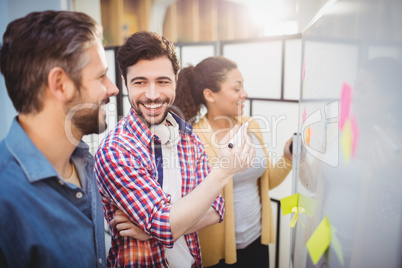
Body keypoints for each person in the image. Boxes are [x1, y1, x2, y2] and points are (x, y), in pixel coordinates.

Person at [94, 31, 255, 268]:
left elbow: (216, 209)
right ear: (125, 82)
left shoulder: (188, 138)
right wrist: (222, 171)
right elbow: (165, 224)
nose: (152, 95)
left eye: (162, 81)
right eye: (140, 82)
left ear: (176, 81)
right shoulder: (116, 151)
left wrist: (152, 230)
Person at [0, 10, 119, 267]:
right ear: (60, 84)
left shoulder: (83, 161)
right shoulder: (6, 201)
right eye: (101, 76)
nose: (113, 88)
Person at [173, 56, 293, 267]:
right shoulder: (194, 138)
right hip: (217, 254)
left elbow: (264, 184)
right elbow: (189, 203)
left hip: (257, 241)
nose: (244, 94)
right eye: (236, 89)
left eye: (243, 87)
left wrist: (287, 158)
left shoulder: (251, 126)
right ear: (210, 95)